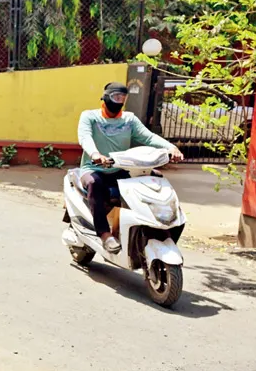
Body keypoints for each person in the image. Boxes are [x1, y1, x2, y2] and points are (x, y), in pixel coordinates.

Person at [77, 82, 184, 254]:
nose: (119, 101)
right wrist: (95, 154)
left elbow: (148, 137)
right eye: (115, 97)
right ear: (105, 97)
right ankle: (105, 234)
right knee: (94, 183)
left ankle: (160, 229)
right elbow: (85, 137)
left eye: (122, 98)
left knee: (155, 179)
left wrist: (171, 147)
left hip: (122, 168)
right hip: (94, 168)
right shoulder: (90, 117)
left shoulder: (129, 119)